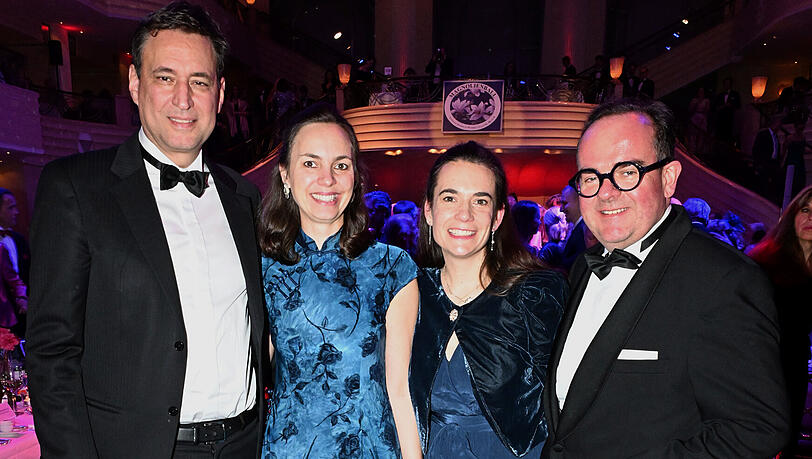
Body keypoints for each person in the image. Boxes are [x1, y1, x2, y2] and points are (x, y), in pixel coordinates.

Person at [26, 3, 266, 457]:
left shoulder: (243, 197)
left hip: (244, 443)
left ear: (219, 95)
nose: (183, 99)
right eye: (165, 77)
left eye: (199, 81)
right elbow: (51, 354)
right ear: (135, 84)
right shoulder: (75, 188)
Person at [543, 99, 789, 457]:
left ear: (669, 178)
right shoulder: (583, 267)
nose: (606, 192)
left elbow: (756, 428)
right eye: (591, 177)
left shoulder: (724, 280)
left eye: (627, 171)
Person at [258, 105, 421, 458]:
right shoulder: (262, 269)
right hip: (288, 450)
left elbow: (399, 389)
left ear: (355, 178)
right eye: (310, 163)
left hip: (370, 449)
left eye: (341, 165)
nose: (327, 179)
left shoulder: (392, 268)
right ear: (285, 175)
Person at [410, 141, 567, 458]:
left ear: (497, 217)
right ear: (429, 210)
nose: (464, 214)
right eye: (450, 197)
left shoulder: (535, 294)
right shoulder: (409, 294)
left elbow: (568, 404)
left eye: (479, 201)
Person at [749, 185, 812, 457]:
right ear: (792, 215)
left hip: (795, 370)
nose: (810, 218)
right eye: (805, 210)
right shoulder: (763, 263)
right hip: (760, 372)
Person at [783, 120, 811, 201]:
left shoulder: (803, 137)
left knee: (799, 181)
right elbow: (784, 149)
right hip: (791, 161)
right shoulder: (790, 138)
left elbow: (802, 149)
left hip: (799, 162)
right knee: (791, 182)